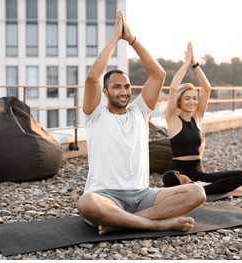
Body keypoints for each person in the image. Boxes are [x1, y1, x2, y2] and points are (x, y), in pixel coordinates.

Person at [76, 10, 206, 235]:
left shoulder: (139, 111)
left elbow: (158, 74)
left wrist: (132, 39)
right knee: (86, 203)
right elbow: (91, 79)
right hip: (106, 196)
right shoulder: (95, 115)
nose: (124, 91)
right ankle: (156, 224)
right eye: (116, 87)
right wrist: (115, 39)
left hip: (143, 195)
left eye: (127, 86)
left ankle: (123, 222)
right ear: (105, 91)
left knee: (197, 193)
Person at [162, 42, 242, 195]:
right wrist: (186, 63)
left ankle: (200, 190)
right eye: (187, 98)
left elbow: (207, 88)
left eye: (195, 98)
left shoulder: (198, 117)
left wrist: (195, 64)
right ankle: (188, 185)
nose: (193, 102)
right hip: (178, 172)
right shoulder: (172, 119)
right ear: (179, 101)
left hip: (199, 172)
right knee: (169, 178)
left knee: (241, 176)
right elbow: (173, 88)